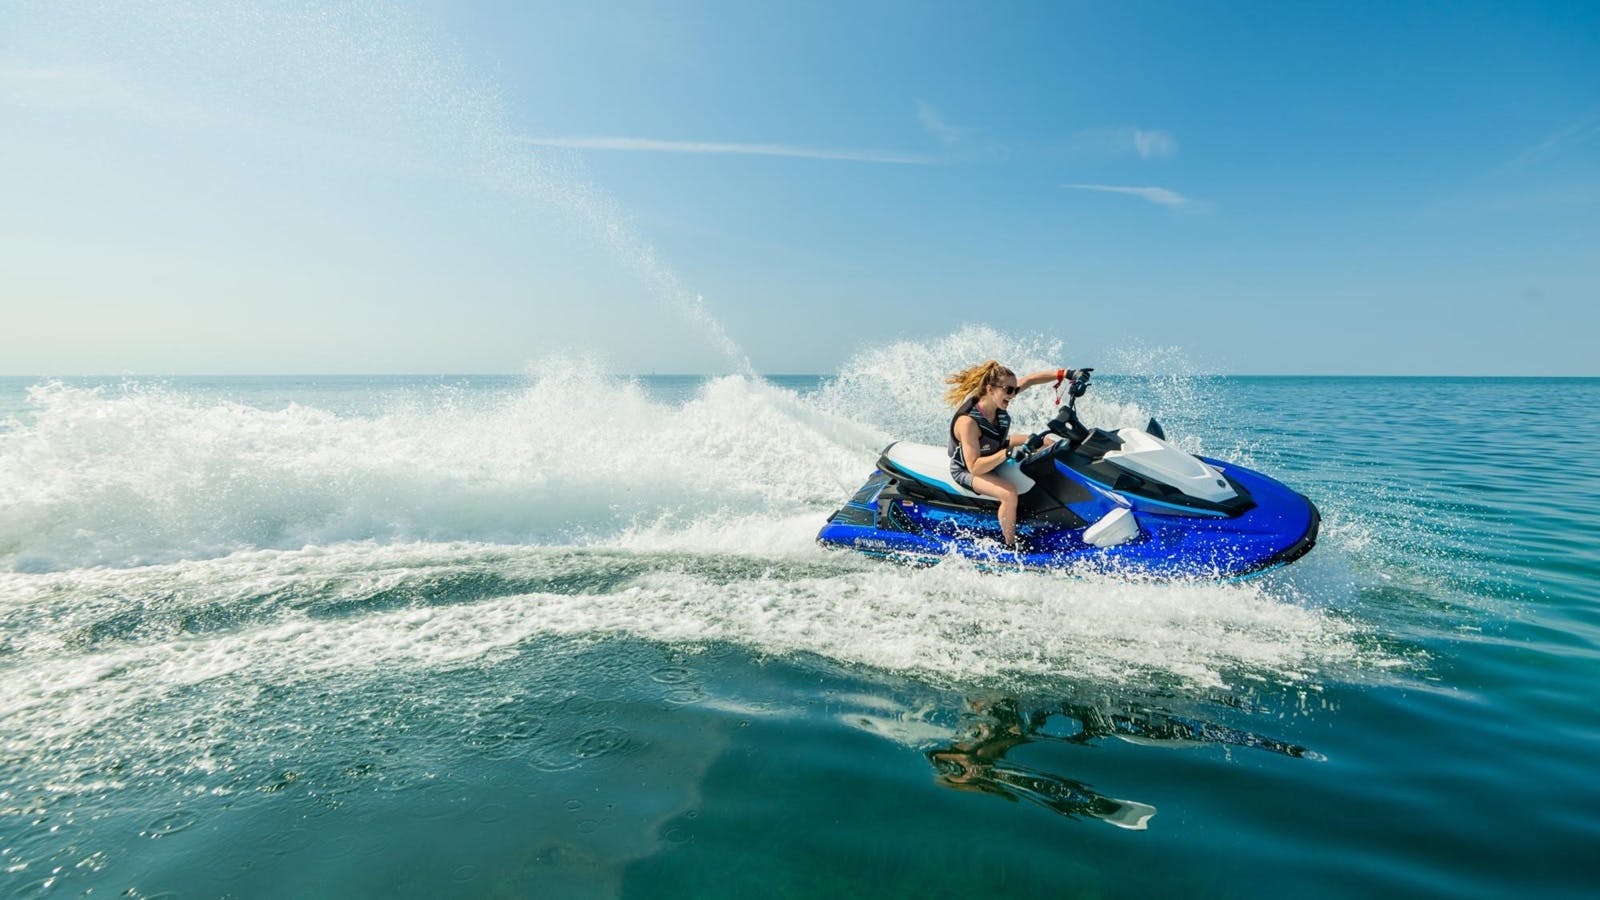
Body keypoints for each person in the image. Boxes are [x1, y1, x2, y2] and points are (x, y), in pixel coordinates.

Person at [944, 361, 1079, 549]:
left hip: (994, 448)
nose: (1013, 395)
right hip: (967, 468)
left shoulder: (1000, 397)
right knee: (1008, 493)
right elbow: (974, 466)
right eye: (1009, 390)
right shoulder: (968, 422)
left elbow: (1031, 379)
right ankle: (1010, 544)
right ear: (990, 389)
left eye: (1015, 390)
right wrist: (1007, 453)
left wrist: (1067, 373)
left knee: (1049, 444)